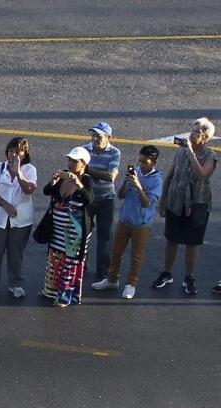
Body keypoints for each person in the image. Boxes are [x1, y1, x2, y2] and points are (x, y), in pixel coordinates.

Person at [153, 117, 217, 295]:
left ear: (204, 138)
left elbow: (203, 174)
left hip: (197, 205)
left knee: (192, 242)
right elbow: (170, 175)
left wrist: (190, 152)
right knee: (171, 238)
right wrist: (163, 198)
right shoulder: (181, 152)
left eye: (197, 132)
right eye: (193, 129)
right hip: (176, 201)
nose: (192, 133)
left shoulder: (210, 155)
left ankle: (189, 277)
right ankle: (167, 272)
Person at [95, 145, 163, 299]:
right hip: (125, 220)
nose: (141, 165)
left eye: (145, 162)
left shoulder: (157, 180)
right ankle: (112, 279)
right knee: (116, 252)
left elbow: (147, 203)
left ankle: (131, 284)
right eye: (139, 161)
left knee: (136, 256)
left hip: (141, 224)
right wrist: (126, 182)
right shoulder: (136, 172)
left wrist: (138, 186)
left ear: (154, 162)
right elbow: (120, 195)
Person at [0, 137, 38, 298]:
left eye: (18, 151)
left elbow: (28, 190)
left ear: (25, 154)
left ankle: (16, 284)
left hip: (21, 221)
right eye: (11, 151)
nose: (14, 154)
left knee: (16, 253)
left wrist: (18, 173)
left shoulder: (30, 170)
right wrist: (6, 205)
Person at [41, 147, 94, 307]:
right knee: (55, 259)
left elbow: (89, 199)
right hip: (57, 230)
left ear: (83, 164)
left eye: (75, 161)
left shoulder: (86, 180)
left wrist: (78, 183)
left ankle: (65, 295)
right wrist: (53, 182)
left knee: (70, 264)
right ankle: (50, 291)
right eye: (69, 160)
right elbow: (46, 191)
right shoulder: (63, 175)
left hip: (74, 233)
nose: (70, 164)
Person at [83, 122, 122, 285]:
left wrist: (89, 171)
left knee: (106, 235)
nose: (95, 139)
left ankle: (103, 270)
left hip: (106, 198)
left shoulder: (114, 153)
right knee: (83, 233)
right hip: (87, 197)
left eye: (99, 136)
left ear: (108, 137)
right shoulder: (84, 150)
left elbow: (110, 177)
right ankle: (80, 265)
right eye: (93, 135)